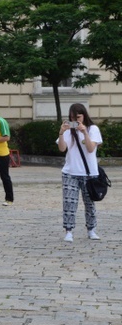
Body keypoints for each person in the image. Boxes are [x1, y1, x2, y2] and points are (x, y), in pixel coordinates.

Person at [57, 103, 103, 243]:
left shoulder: (93, 129)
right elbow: (62, 148)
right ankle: (69, 231)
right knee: (69, 203)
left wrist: (84, 132)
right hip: (70, 172)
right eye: (72, 118)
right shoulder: (67, 130)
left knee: (89, 203)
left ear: (84, 115)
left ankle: (91, 229)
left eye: (78, 117)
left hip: (89, 173)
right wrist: (61, 132)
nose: (76, 120)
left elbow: (90, 149)